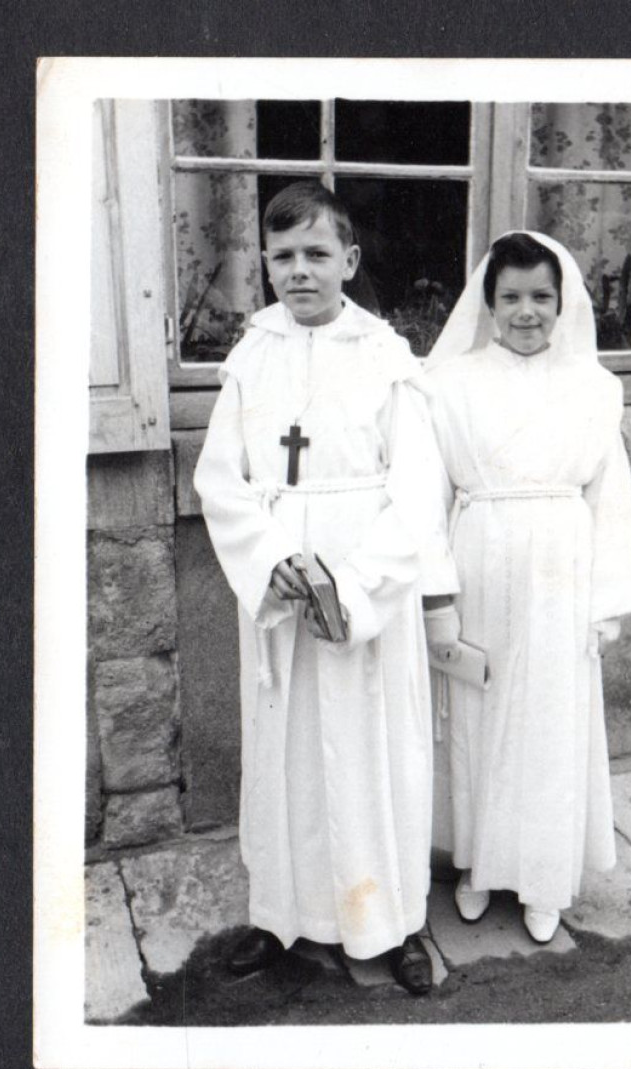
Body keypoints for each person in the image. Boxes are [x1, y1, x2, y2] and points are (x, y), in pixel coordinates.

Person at [193, 182, 457, 993]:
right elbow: (221, 477)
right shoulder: (251, 356)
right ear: (264, 265)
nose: (299, 271)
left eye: (316, 254)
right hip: (280, 585)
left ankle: (397, 921)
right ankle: (283, 915)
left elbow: (418, 491)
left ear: (349, 260)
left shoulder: (385, 357)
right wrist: (276, 560)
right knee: (289, 756)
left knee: (377, 754)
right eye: (282, 256)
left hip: (365, 589)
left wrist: (350, 584)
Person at [421, 232, 631, 943]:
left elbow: (610, 499)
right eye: (512, 297)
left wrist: (604, 604)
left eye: (541, 297)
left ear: (564, 302)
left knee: (550, 723)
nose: (527, 312)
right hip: (479, 559)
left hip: (562, 566)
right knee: (476, 718)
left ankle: (541, 877)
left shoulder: (593, 388)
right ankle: (475, 865)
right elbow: (430, 494)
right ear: (489, 304)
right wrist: (436, 593)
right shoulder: (450, 384)